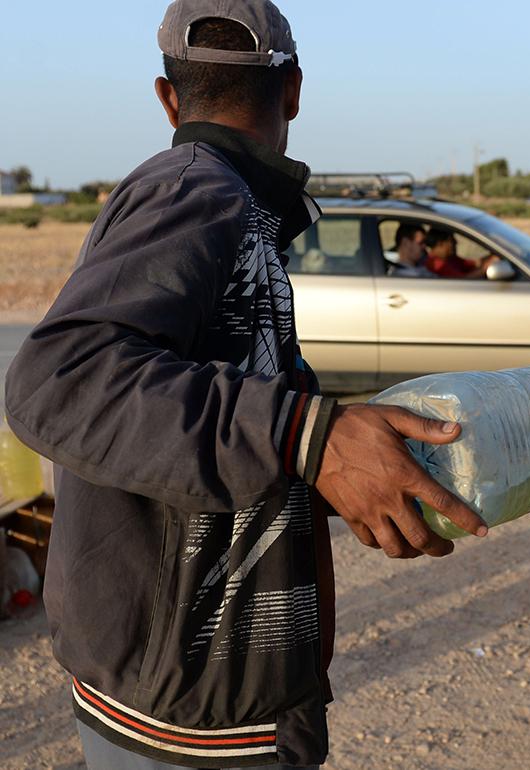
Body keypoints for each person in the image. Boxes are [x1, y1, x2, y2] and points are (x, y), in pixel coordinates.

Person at [3, 2, 486, 767]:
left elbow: (200, 421)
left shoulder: (233, 204)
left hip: (196, 690)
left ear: (168, 97)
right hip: (187, 714)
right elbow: (59, 380)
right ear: (293, 89)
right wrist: (305, 434)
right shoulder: (196, 192)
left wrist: (334, 459)